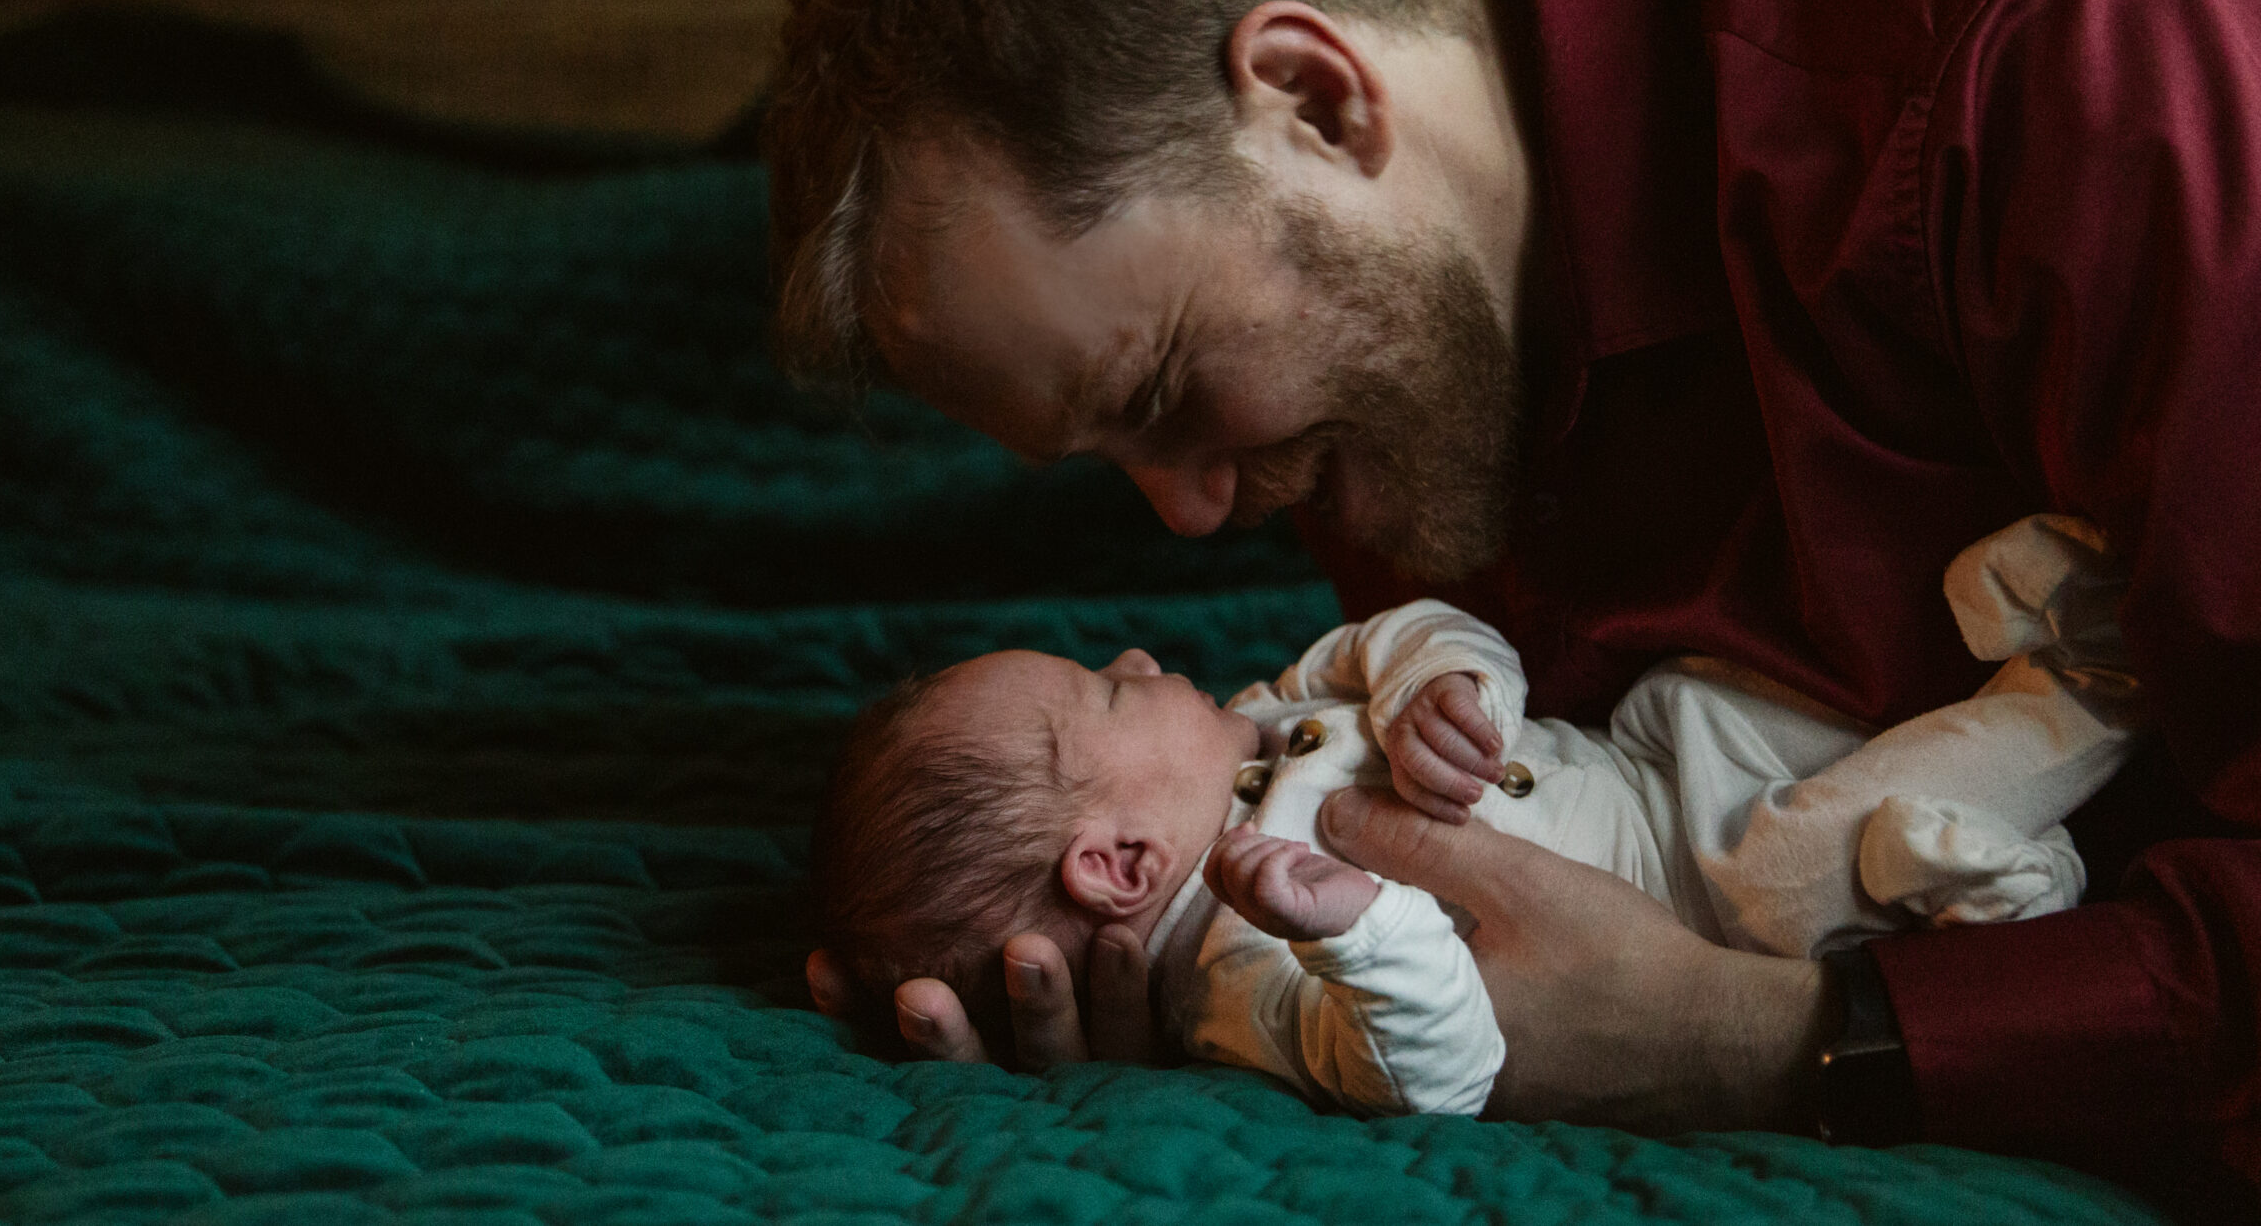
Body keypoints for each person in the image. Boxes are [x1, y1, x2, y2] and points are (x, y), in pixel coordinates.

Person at [760, 0, 2261, 1196]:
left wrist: (1776, 1041)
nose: (1195, 516)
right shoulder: (1399, 395)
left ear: (1316, 99)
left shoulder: (2056, 56)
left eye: (1161, 391)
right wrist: (1211, 986)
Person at [811, 525, 2137, 1118]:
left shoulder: (1261, 718)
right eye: (1110, 691)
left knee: (1718, 693)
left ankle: (1990, 836)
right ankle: (2091, 681)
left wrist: (1444, 682)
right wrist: (1364, 927)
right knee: (1820, 853)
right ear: (1120, 864)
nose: (1144, 657)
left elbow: (1389, 634)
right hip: (1707, 904)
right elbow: (1436, 1074)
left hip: (1650, 761)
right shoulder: (1241, 971)